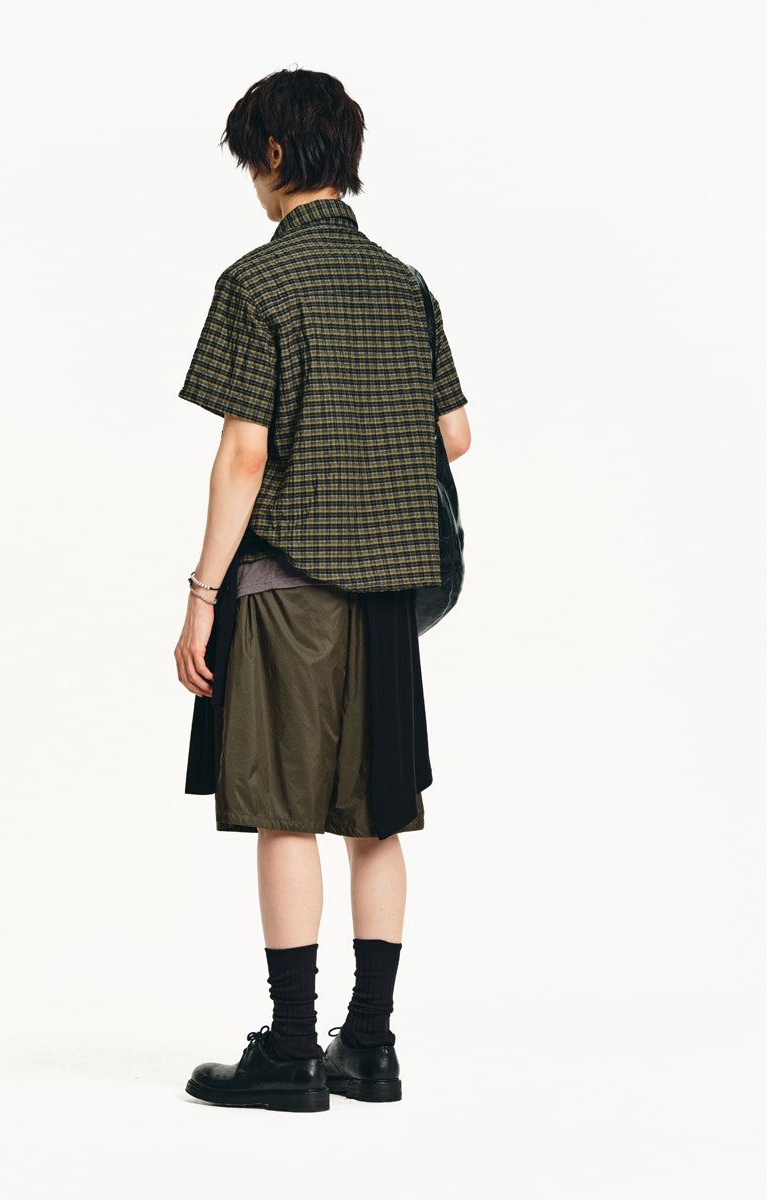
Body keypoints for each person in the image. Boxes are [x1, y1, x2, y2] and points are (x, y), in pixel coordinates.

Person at [174, 67, 471, 1113]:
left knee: (287, 813)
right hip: (389, 594)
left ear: (272, 154)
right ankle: (371, 1048)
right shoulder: (403, 282)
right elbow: (454, 436)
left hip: (284, 590)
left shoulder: (257, 282)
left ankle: (293, 1052)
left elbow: (244, 455)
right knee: (376, 819)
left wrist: (202, 595)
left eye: (250, 161)